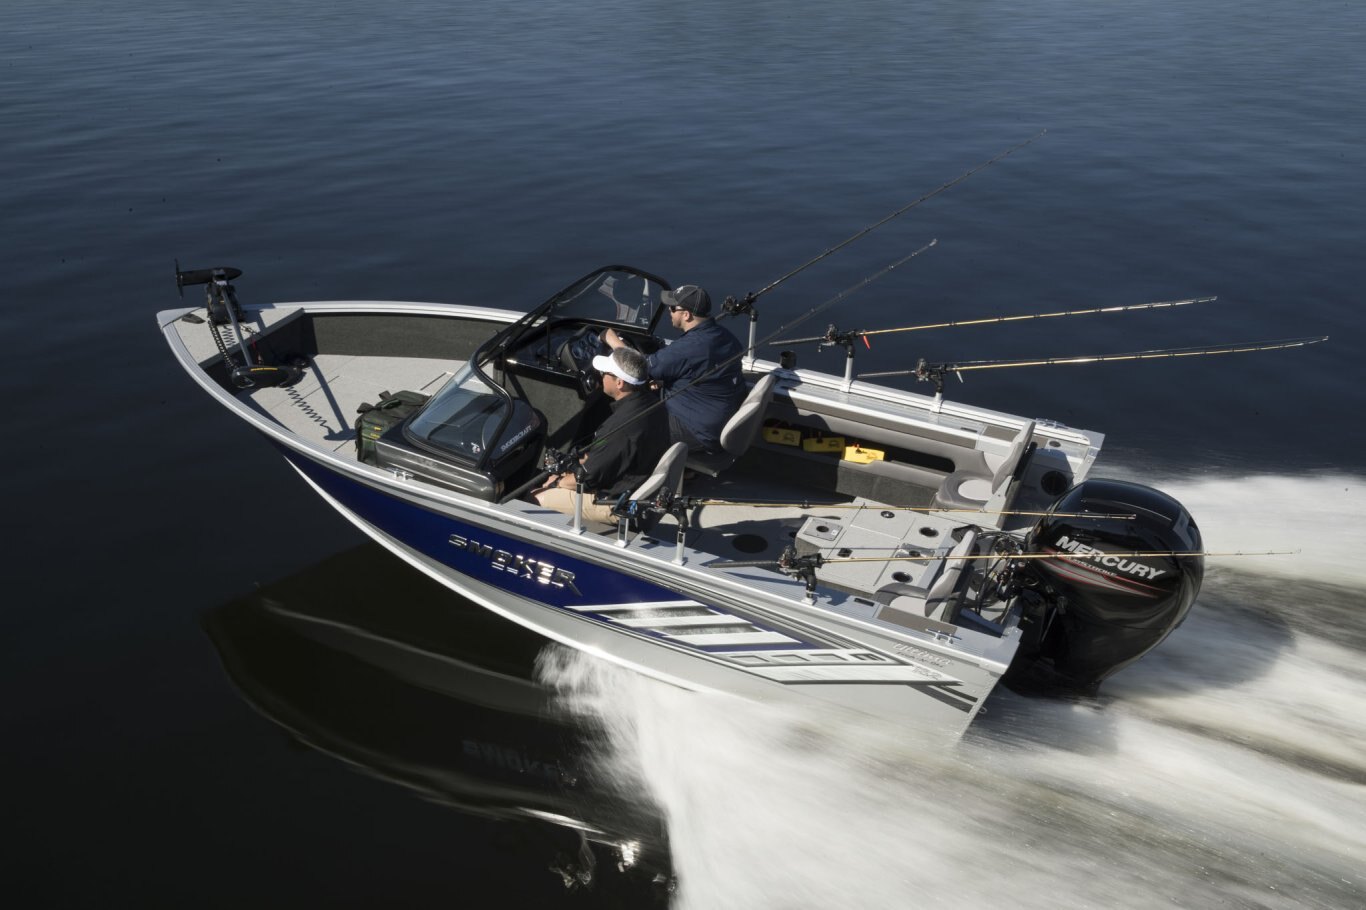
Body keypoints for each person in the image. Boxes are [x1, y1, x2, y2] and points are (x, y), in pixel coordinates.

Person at [533, 346, 670, 523]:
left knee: (536, 496)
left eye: (604, 373)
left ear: (619, 383)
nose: (600, 376)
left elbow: (588, 478)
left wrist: (557, 482)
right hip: (636, 480)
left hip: (614, 502)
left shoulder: (619, 427)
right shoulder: (654, 403)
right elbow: (611, 456)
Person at [603, 284, 745, 454]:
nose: (668, 312)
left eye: (672, 308)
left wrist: (612, 340)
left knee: (630, 426)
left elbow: (640, 367)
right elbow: (700, 372)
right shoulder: (726, 336)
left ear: (686, 315)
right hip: (719, 417)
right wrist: (665, 383)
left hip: (696, 430)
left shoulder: (687, 348)